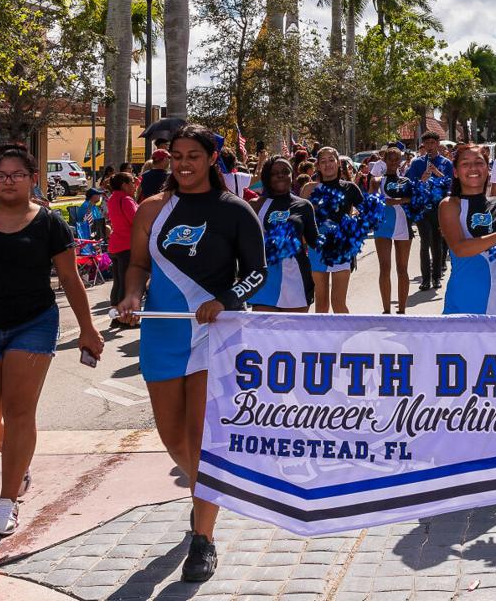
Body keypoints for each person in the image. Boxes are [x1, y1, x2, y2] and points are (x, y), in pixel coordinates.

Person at [115, 126, 267, 582]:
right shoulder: (152, 209)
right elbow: (138, 265)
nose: (183, 163)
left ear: (212, 158)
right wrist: (131, 297)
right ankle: (210, 490)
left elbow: (257, 273)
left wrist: (225, 299)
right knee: (173, 439)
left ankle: (203, 538)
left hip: (214, 335)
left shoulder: (236, 211)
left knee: (202, 440)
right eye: (176, 156)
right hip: (163, 335)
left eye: (193, 156)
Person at [0, 147, 104, 538]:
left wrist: (87, 328)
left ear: (33, 177)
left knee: (19, 410)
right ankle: (19, 459)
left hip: (34, 323)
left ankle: (7, 500)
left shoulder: (49, 224)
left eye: (17, 174)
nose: (9, 180)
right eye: (3, 174)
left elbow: (72, 281)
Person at [440, 145, 496, 315]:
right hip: (466, 297)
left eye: (479, 162)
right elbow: (460, 249)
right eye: (465, 164)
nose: (473, 168)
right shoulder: (450, 205)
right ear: (455, 172)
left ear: (487, 169)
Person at [251, 156, 318, 312]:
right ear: (267, 178)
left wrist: (339, 240)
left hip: (297, 279)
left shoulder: (304, 205)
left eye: (285, 171)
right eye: (274, 173)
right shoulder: (256, 205)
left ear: (292, 175)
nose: (280, 175)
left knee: (294, 335)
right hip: (265, 278)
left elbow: (314, 241)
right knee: (263, 334)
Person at [302, 147, 363, 314]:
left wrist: (352, 232)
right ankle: (322, 340)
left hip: (341, 249)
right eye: (323, 161)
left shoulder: (350, 188)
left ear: (338, 163)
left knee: (338, 303)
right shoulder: (309, 189)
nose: (327, 164)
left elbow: (369, 215)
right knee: (321, 303)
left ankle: (346, 339)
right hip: (317, 248)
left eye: (331, 160)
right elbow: (300, 219)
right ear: (318, 166)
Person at [406, 132, 451, 290]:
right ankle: (426, 279)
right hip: (422, 208)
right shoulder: (417, 163)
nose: (430, 146)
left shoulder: (446, 163)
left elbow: (451, 185)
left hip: (439, 208)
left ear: (437, 143)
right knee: (425, 242)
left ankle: (436, 277)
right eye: (427, 144)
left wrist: (438, 174)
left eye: (433, 143)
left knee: (437, 242)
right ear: (423, 145)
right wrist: (421, 180)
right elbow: (408, 184)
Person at [373, 145, 413, 314]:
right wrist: (400, 200)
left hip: (403, 224)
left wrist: (392, 201)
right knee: (385, 267)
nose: (394, 162)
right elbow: (374, 202)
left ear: (401, 161)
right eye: (391, 159)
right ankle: (386, 309)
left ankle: (402, 310)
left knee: (402, 268)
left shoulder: (407, 181)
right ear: (384, 160)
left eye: (397, 159)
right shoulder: (377, 180)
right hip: (383, 225)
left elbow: (413, 200)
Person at [106, 171, 139, 321]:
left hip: (115, 245)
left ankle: (115, 315)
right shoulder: (126, 200)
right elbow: (137, 221)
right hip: (127, 245)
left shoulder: (112, 199)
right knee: (127, 284)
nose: (135, 184)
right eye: (132, 181)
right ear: (124, 185)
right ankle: (123, 318)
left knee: (118, 282)